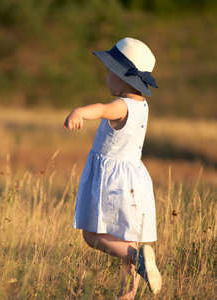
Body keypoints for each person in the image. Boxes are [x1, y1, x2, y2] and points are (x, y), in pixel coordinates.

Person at [64, 37, 162, 299]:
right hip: (134, 179)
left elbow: (101, 109)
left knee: (91, 236)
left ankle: (136, 257)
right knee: (124, 237)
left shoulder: (121, 105)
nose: (107, 76)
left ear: (122, 77)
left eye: (110, 71)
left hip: (113, 181)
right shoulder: (142, 106)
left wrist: (79, 112)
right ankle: (128, 291)